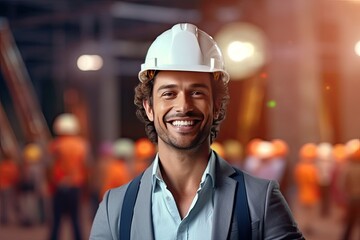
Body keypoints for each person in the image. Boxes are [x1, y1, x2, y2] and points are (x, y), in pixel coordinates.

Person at [90, 23, 303, 240]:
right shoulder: (114, 209)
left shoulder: (260, 200)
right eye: (169, 93)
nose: (183, 106)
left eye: (197, 92)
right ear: (149, 107)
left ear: (217, 105)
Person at [48, 113, 89, 240]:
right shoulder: (82, 145)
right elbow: (87, 166)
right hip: (76, 185)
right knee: (76, 220)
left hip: (59, 186)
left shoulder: (55, 145)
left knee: (56, 221)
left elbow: (50, 167)